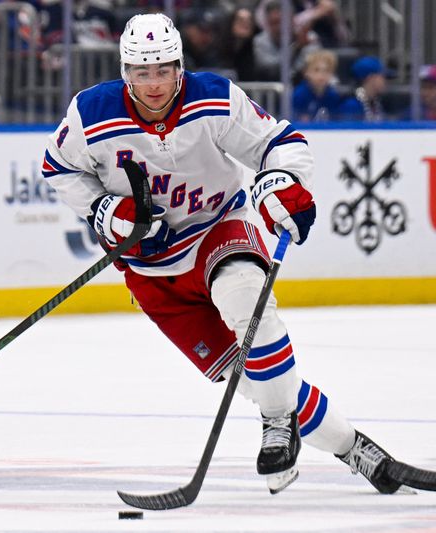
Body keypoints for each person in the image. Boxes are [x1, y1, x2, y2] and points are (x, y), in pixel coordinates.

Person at [42, 13, 406, 496]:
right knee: (257, 378)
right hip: (151, 273)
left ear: (180, 65)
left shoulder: (213, 98)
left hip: (217, 227)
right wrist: (105, 210)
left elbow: (280, 142)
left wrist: (282, 182)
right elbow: (58, 168)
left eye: (164, 69)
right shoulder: (91, 114)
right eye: (141, 72)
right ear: (124, 70)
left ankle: (277, 423)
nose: (154, 84)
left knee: (248, 299)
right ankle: (355, 448)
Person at [292, 49, 340, 122]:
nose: (322, 74)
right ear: (306, 72)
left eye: (327, 70)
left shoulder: (333, 95)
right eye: (316, 70)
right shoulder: (299, 95)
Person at [338, 56, 390, 122]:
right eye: (382, 76)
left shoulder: (376, 103)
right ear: (370, 78)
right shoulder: (351, 106)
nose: (385, 81)